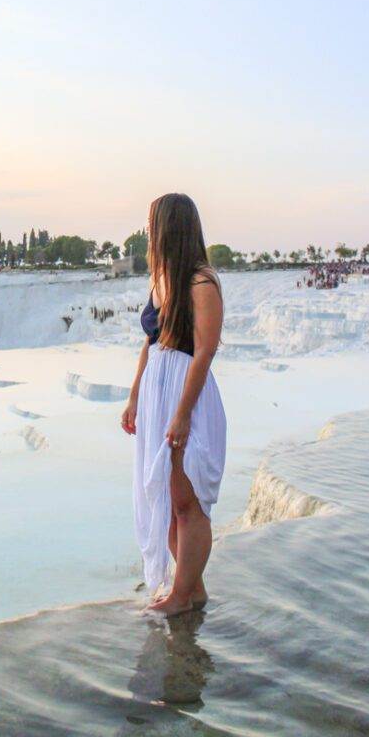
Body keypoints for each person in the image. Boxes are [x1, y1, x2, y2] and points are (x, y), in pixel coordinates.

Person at [121, 193, 226, 617]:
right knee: (165, 499)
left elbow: (204, 351)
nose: (150, 233)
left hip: (188, 397)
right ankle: (191, 589)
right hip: (157, 395)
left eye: (154, 224)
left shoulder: (202, 282)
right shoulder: (161, 279)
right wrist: (134, 397)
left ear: (171, 228)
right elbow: (150, 344)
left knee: (187, 500)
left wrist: (182, 414)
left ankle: (182, 596)